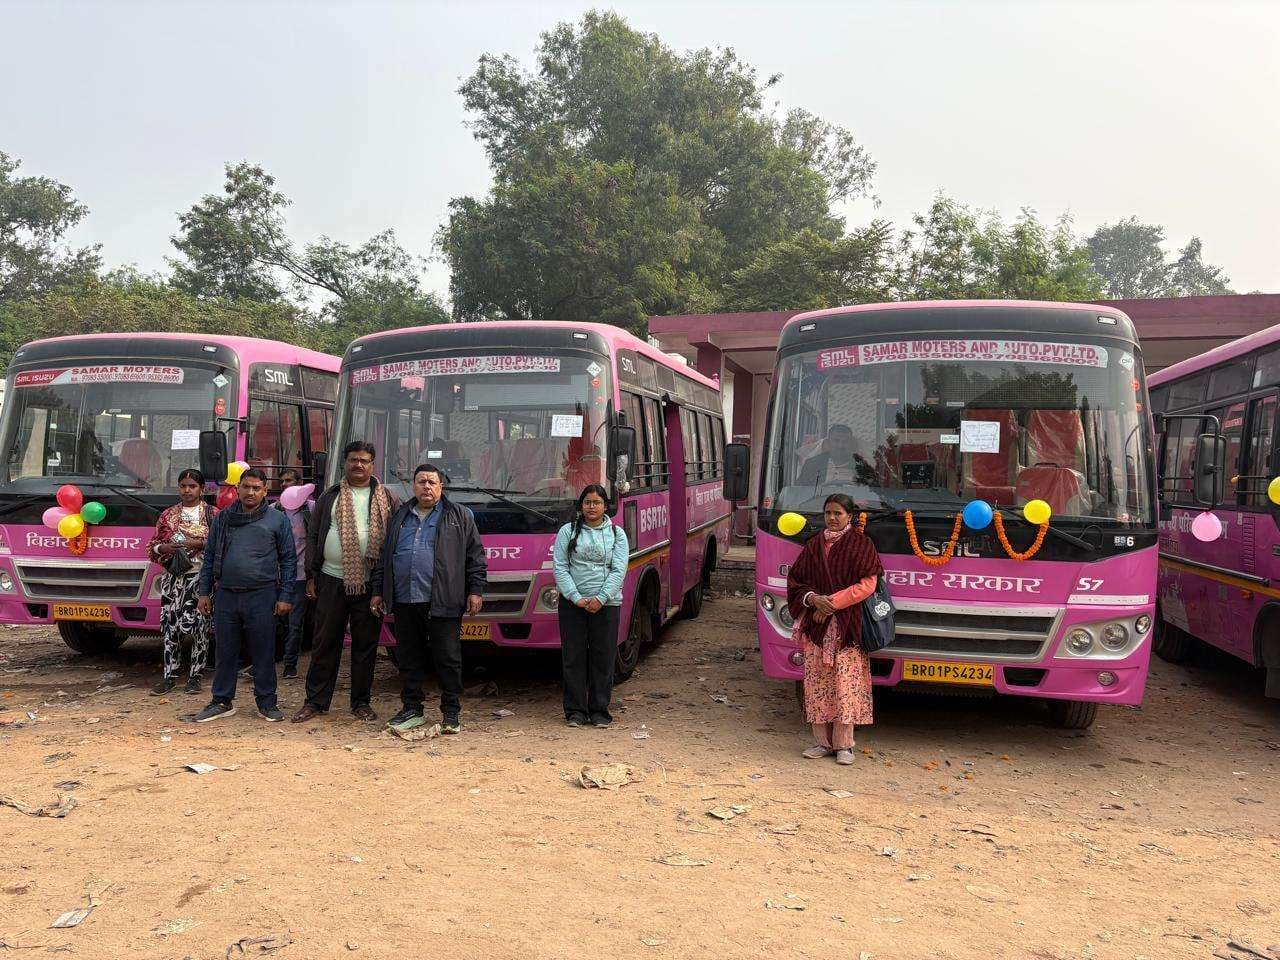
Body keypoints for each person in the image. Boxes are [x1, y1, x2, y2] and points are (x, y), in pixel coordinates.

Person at [373, 464, 486, 735]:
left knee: (447, 658)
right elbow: (384, 556)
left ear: (441, 487)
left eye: (432, 482)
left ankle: (450, 712)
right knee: (408, 657)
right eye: (421, 481)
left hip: (443, 599)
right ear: (413, 485)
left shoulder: (458, 516)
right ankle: (412, 708)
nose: (427, 487)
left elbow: (476, 556)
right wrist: (378, 591)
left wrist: (476, 590)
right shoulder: (400, 516)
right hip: (404, 599)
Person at [291, 442, 396, 724]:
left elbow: (394, 540)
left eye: (364, 461)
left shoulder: (387, 498)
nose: (358, 465)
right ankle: (315, 702)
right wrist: (311, 575)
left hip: (370, 585)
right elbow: (314, 536)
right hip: (331, 579)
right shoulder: (330, 496)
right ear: (345, 463)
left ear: (373, 465)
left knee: (365, 646)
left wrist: (384, 585)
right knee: (325, 643)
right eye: (353, 460)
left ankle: (361, 703)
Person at [189, 468, 297, 723]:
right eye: (246, 487)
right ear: (238, 489)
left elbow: (289, 560)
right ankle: (221, 700)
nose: (251, 492)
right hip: (226, 594)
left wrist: (285, 596)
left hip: (263, 595)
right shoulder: (224, 518)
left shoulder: (277, 520)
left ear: (265, 492)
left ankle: (267, 702)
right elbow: (211, 556)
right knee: (225, 652)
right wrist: (204, 592)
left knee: (263, 651)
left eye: (256, 488)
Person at [785, 493, 883, 764]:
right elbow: (796, 582)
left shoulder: (861, 545)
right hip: (816, 630)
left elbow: (868, 585)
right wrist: (812, 600)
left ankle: (844, 746)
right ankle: (821, 743)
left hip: (847, 628)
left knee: (845, 685)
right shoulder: (814, 545)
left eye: (838, 513)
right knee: (818, 685)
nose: (832, 518)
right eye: (828, 513)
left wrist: (831, 604)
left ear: (849, 516)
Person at [552, 484, 629, 728]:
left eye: (597, 503)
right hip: (572, 604)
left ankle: (599, 711)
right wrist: (576, 597)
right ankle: (575, 711)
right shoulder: (567, 531)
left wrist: (601, 598)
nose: (592, 507)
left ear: (606, 506)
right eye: (587, 503)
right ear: (581, 505)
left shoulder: (618, 534)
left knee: (603, 657)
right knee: (573, 657)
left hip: (607, 605)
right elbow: (560, 567)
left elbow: (619, 570)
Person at [147, 468, 217, 696]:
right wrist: (164, 548)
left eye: (192, 486)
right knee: (171, 629)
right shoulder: (168, 515)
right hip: (173, 580)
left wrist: (200, 544)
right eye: (183, 485)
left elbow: (221, 544)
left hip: (201, 581)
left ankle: (195, 676)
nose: (187, 490)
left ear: (202, 489)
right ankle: (170, 676)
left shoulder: (213, 515)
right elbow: (152, 547)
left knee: (199, 628)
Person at [275, 467, 313, 680]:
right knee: (273, 621)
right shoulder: (274, 510)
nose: (284, 484)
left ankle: (290, 664)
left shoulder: (311, 509)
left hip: (299, 575)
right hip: (276, 574)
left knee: (295, 622)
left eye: (289, 480)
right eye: (282, 481)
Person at [797, 424, 876, 486]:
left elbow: (871, 492)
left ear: (850, 443)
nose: (840, 445)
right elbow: (800, 491)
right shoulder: (812, 464)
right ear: (828, 441)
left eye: (845, 441)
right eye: (836, 440)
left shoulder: (862, 466)